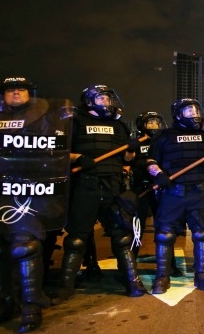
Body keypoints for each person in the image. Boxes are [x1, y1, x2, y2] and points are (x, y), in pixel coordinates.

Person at [0, 77, 71, 333]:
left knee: (24, 247)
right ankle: (3, 304)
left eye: (21, 89)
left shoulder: (45, 121)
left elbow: (56, 155)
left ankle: (31, 306)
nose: (15, 93)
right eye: (10, 90)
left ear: (31, 94)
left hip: (28, 192)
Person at [52, 84, 146, 304]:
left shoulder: (119, 126)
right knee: (76, 239)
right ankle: (65, 286)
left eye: (109, 99)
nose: (108, 103)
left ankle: (132, 280)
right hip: (86, 185)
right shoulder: (75, 123)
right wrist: (77, 158)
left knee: (122, 237)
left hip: (113, 186)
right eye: (103, 98)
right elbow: (58, 151)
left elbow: (128, 161)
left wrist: (131, 149)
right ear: (90, 101)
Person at [146, 98, 204, 293]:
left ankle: (202, 273)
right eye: (189, 111)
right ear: (179, 114)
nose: (194, 114)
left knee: (202, 233)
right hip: (173, 192)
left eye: (196, 110)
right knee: (165, 235)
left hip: (199, 192)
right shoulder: (164, 136)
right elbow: (150, 161)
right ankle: (162, 276)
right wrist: (159, 174)